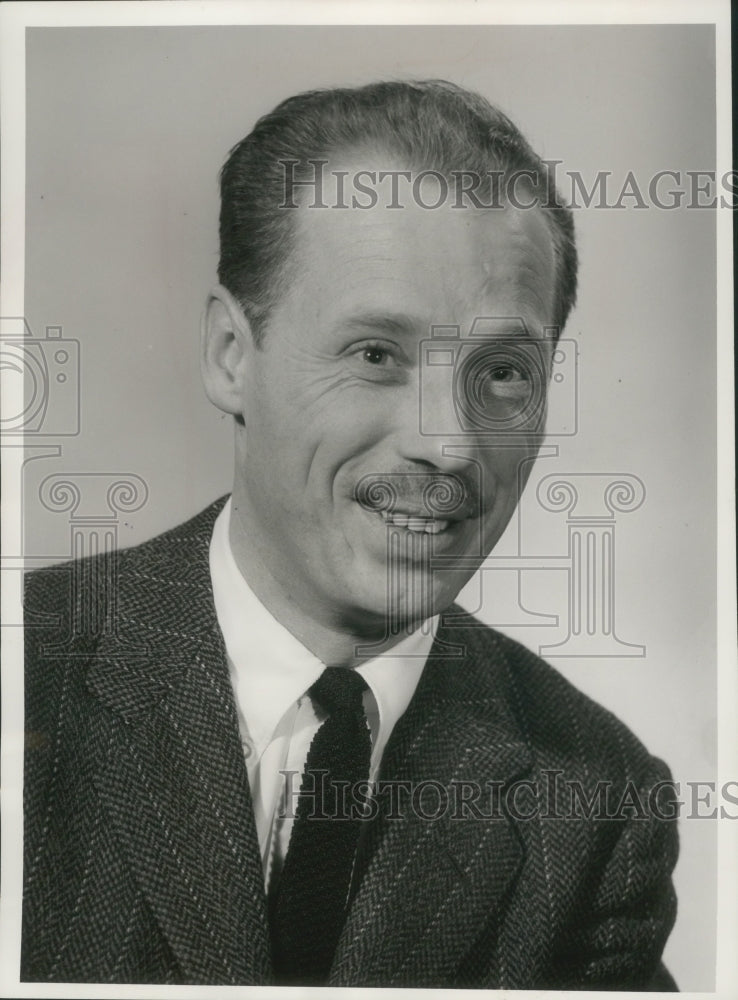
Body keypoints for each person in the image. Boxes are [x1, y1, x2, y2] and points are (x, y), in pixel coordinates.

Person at [21, 80, 678, 989]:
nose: (448, 444)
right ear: (230, 355)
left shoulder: (597, 799)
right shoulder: (25, 678)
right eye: (376, 355)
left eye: (502, 373)